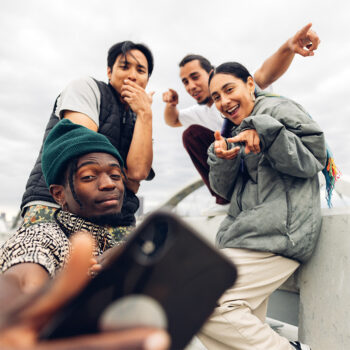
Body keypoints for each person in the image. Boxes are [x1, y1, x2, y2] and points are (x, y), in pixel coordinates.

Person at [0, 120, 170, 350]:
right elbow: (22, 273)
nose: (109, 184)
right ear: (59, 195)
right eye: (89, 176)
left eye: (115, 175)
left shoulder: (123, 244)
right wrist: (13, 309)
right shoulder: (46, 234)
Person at [195, 61, 327, 350]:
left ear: (250, 84)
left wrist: (266, 133)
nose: (224, 101)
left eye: (229, 89)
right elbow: (224, 190)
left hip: (279, 236)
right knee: (232, 333)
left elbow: (312, 158)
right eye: (216, 97)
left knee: (201, 303)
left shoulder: (277, 110)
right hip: (247, 236)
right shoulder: (235, 129)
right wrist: (223, 160)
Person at [162, 23, 320, 211]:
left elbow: (266, 72)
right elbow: (173, 120)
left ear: (211, 73)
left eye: (195, 77)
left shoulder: (242, 88)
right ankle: (226, 198)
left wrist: (288, 47)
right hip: (237, 170)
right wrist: (171, 105)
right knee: (191, 135)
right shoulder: (200, 112)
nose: (190, 86)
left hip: (272, 165)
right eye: (185, 82)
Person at [21, 40, 155, 239]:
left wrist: (145, 113)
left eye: (141, 70)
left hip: (114, 217)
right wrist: (123, 175)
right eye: (124, 67)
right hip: (57, 206)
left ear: (147, 79)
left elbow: (137, 172)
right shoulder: (86, 88)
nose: (132, 76)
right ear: (109, 72)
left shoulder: (141, 116)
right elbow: (83, 151)